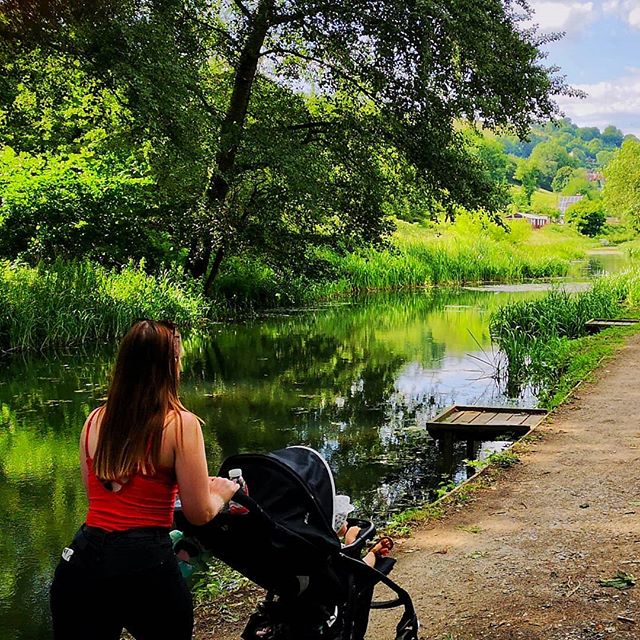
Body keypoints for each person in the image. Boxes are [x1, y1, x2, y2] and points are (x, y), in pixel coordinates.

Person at [49, 319, 238, 640]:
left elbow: (100, 500)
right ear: (168, 366)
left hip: (82, 564)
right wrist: (221, 492)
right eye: (177, 359)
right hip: (145, 568)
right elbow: (198, 513)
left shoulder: (93, 421)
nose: (180, 368)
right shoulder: (181, 425)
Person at [333, 494, 394, 568]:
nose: (347, 522)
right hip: (350, 571)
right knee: (365, 564)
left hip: (335, 568)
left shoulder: (325, 542)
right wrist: (350, 540)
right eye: (344, 520)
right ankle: (373, 552)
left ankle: (372, 552)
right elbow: (350, 561)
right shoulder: (329, 548)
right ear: (335, 524)